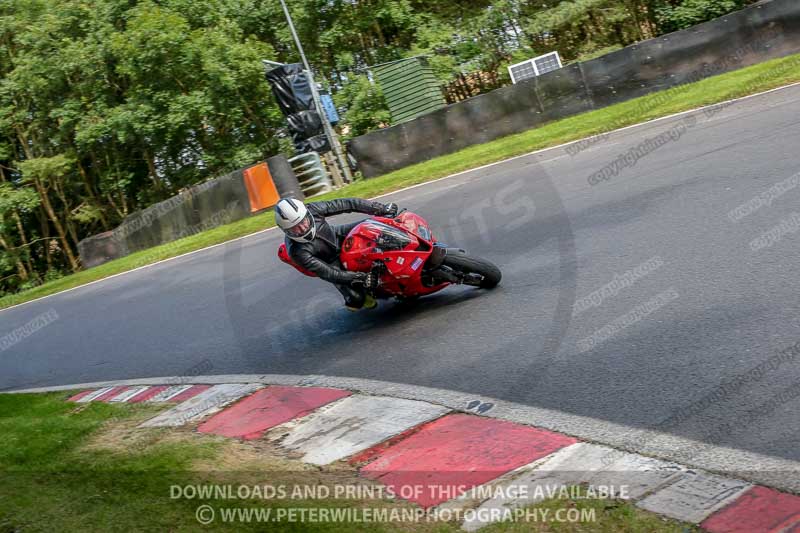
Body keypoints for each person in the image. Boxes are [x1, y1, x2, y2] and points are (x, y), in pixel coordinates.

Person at [275, 197, 399, 311]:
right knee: (357, 299)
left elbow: (346, 203)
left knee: (377, 223)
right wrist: (361, 278)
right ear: (286, 230)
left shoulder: (313, 208)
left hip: (338, 235)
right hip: (330, 262)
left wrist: (380, 208)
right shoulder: (296, 252)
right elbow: (329, 273)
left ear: (307, 214)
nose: (303, 228)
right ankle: (355, 299)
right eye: (295, 228)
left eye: (303, 221)